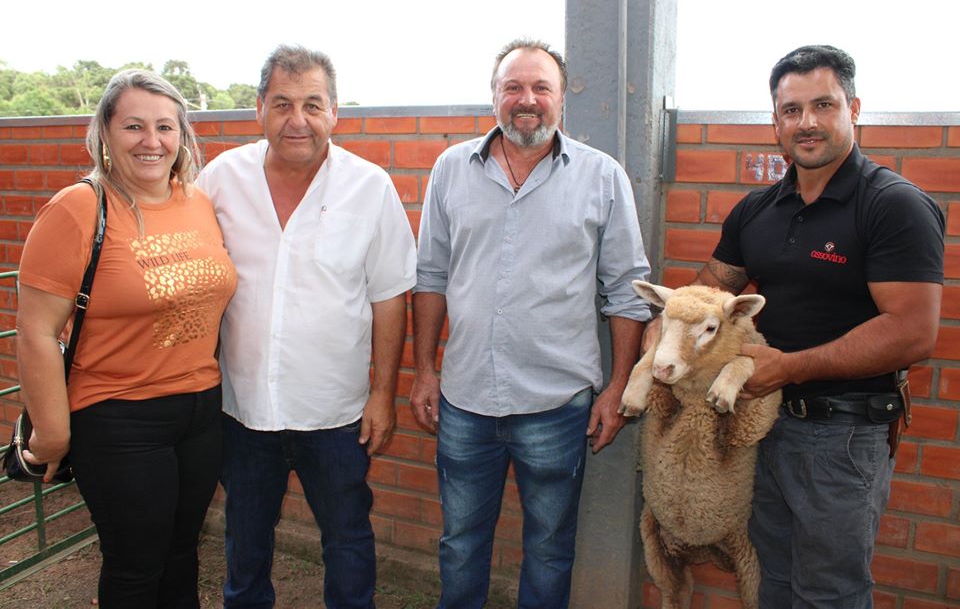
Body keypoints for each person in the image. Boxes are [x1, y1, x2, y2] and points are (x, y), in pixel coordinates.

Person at [693, 45, 944, 608]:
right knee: (771, 579)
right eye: (790, 110)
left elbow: (912, 333)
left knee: (829, 593)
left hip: (843, 437)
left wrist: (789, 368)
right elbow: (707, 297)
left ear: (853, 109)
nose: (806, 122)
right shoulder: (757, 210)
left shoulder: (893, 206)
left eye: (823, 104)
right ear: (775, 123)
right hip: (764, 424)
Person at [410, 38, 651, 608]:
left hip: (557, 406)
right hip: (465, 400)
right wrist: (424, 370)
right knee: (461, 544)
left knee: (548, 548)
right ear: (493, 97)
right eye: (513, 87)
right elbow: (430, 276)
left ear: (562, 100)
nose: (527, 99)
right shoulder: (451, 169)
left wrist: (617, 388)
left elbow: (627, 292)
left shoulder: (602, 177)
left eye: (541, 87)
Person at [197, 44, 416, 609]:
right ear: (259, 108)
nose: (298, 120)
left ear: (335, 113)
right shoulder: (220, 180)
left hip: (336, 411)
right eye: (283, 104)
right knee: (245, 537)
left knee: (347, 536)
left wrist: (383, 394)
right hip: (243, 407)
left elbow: (390, 297)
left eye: (313, 105)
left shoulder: (370, 188)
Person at [16, 69, 237, 608]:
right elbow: (36, 331)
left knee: (182, 553)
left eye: (165, 126)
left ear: (182, 135)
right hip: (118, 418)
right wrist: (50, 431)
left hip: (201, 410)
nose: (152, 140)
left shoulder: (197, 202)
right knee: (136, 565)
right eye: (134, 126)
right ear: (105, 134)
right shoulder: (77, 208)